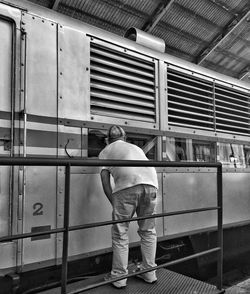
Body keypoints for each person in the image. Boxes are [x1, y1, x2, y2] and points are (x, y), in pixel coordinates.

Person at [98, 125, 158, 289]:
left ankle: (119, 278)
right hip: (152, 185)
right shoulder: (136, 147)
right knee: (148, 230)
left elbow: (105, 181)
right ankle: (149, 272)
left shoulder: (105, 151)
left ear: (108, 140)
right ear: (124, 138)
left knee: (120, 233)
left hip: (127, 187)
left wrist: (114, 202)